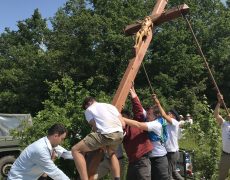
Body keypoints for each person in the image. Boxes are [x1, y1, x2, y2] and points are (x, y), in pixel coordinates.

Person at [71, 97, 124, 180]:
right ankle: (117, 178)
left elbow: (95, 127)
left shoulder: (89, 110)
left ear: (87, 104)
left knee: (75, 150)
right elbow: (123, 124)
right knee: (111, 153)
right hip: (119, 134)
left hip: (106, 134)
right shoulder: (111, 106)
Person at [123, 93, 170, 180]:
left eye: (149, 114)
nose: (147, 116)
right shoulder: (150, 119)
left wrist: (121, 118)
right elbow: (139, 109)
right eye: (147, 113)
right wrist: (133, 94)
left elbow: (138, 125)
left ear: (156, 116)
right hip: (150, 158)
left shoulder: (156, 124)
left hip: (159, 159)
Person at [7, 123, 72, 180]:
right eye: (62, 139)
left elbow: (66, 154)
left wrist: (80, 154)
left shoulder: (50, 145)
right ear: (55, 136)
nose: (62, 142)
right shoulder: (40, 149)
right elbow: (54, 172)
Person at [123, 87, 153, 180]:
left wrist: (133, 94)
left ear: (128, 117)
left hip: (142, 159)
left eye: (123, 117)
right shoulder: (122, 130)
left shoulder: (137, 121)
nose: (122, 119)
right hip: (132, 161)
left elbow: (138, 109)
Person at [154, 96, 184, 180]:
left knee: (168, 174)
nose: (167, 114)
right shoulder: (167, 124)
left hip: (171, 152)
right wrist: (156, 106)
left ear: (173, 116)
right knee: (174, 172)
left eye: (169, 113)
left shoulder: (174, 122)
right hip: (171, 152)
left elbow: (163, 115)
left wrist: (158, 103)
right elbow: (159, 115)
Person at [214, 93, 230, 180]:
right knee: (222, 177)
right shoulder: (225, 124)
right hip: (226, 155)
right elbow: (216, 115)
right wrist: (219, 102)